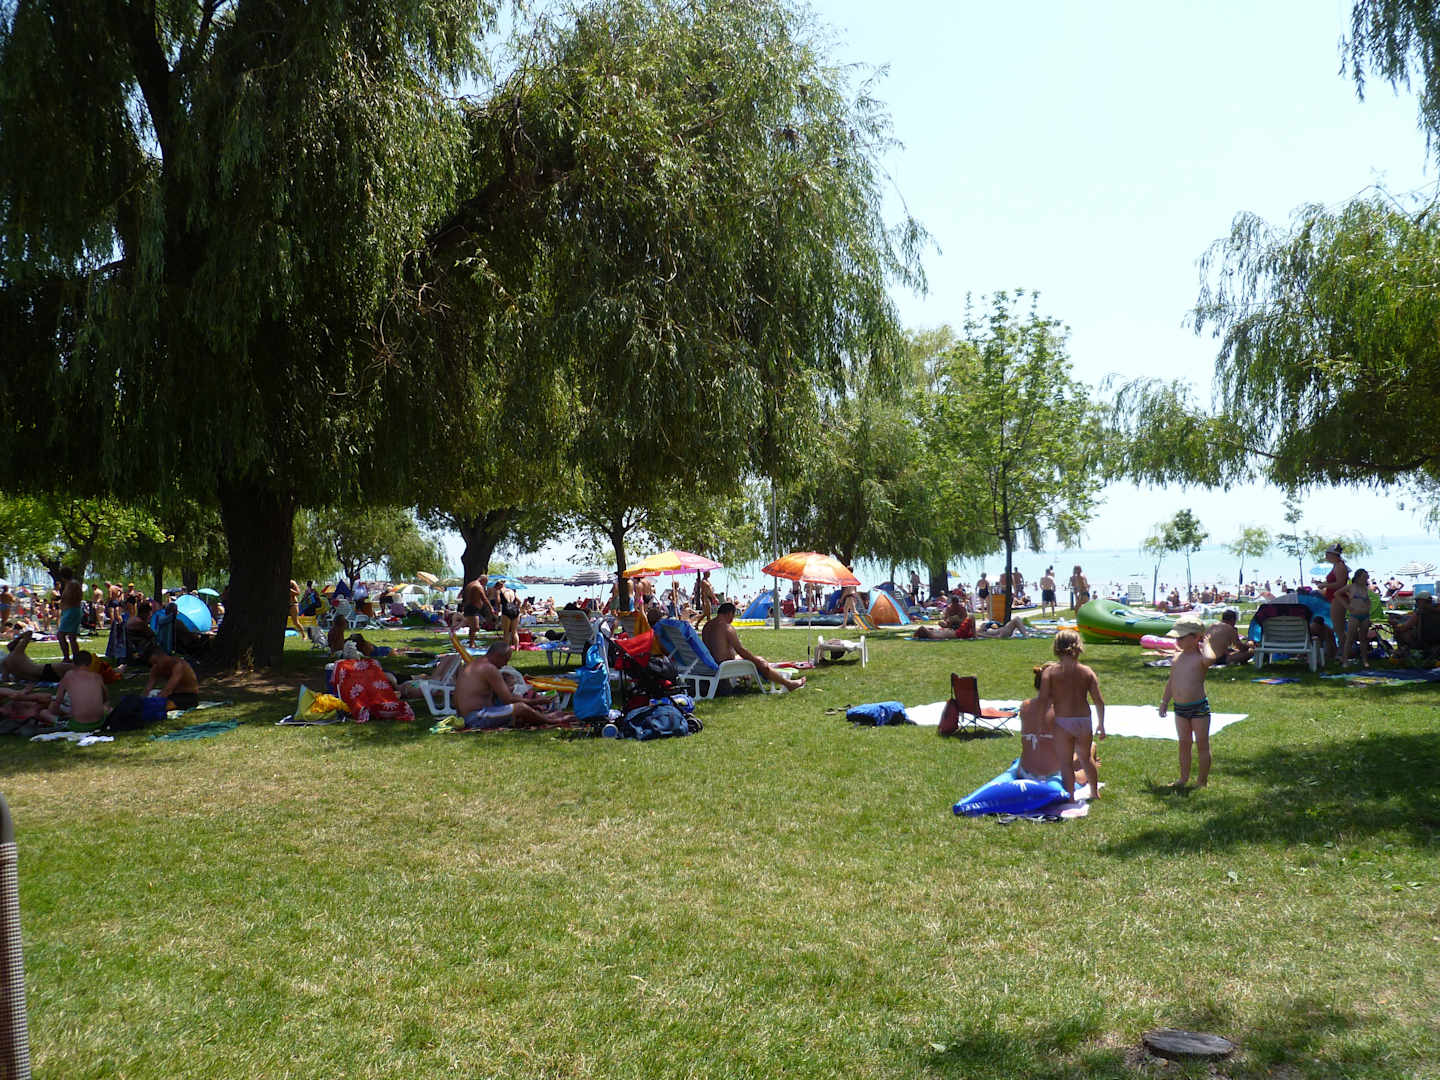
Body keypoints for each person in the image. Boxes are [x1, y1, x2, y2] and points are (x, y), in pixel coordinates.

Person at [1033, 629, 1105, 800]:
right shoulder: (1087, 671)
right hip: (1084, 721)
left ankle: (1070, 796)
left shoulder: (1051, 672)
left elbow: (1043, 700)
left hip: (1063, 722)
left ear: (1056, 648)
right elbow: (1099, 701)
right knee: (1086, 758)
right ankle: (1094, 791)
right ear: (1079, 647)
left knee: (1065, 763)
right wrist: (1101, 724)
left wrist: (1040, 723)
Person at [454, 641, 563, 729]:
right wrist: (538, 701)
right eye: (505, 660)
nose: (505, 664)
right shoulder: (489, 668)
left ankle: (539, 716)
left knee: (518, 700)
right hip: (475, 717)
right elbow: (508, 700)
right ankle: (549, 720)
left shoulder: (474, 664)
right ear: (497, 656)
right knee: (521, 708)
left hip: (465, 716)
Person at [1160, 617, 1216, 788]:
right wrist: (1164, 701)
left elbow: (1211, 659)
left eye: (1181, 637)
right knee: (1184, 744)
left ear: (1196, 637)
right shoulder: (1177, 657)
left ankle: (1202, 781)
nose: (1177, 641)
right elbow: (1172, 681)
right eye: (1176, 638)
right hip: (1180, 709)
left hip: (1198, 708)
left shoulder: (1200, 658)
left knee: (1202, 745)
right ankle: (1183, 778)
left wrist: (1206, 643)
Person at [701, 602, 805, 691]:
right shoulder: (726, 627)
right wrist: (756, 661)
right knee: (761, 663)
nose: (732, 619)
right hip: (724, 666)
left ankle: (784, 681)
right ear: (730, 613)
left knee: (756, 660)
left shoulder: (707, 626)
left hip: (710, 664)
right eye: (733, 616)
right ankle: (788, 684)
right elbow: (740, 650)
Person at [43, 651, 108, 730]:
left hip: (78, 725)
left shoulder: (69, 675)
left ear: (73, 663)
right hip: (99, 722)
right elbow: (105, 699)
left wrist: (53, 712)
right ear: (90, 663)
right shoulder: (97, 677)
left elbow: (58, 700)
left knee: (44, 713)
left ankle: (61, 722)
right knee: (107, 708)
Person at [1336, 568, 1374, 667]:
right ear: (1358, 577)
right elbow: (1337, 594)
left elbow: (1368, 600)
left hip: (1365, 615)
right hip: (1354, 615)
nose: (1366, 579)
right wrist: (1347, 606)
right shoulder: (1351, 587)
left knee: (1363, 639)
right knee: (1350, 638)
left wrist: (1368, 607)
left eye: (1366, 578)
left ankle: (1364, 660)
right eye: (1364, 577)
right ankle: (1345, 660)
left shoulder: (1365, 588)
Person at [1320, 542, 1349, 664]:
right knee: (1336, 628)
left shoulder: (1340, 566)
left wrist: (1325, 585)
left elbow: (1340, 584)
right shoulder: (1336, 566)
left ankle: (1344, 654)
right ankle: (1340, 652)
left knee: (1339, 628)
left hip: (1338, 599)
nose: (1326, 556)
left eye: (1327, 554)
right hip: (1333, 598)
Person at [2, 630, 71, 682]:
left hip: (38, 678)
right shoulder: (17, 652)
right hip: (45, 670)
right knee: (74, 668)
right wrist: (17, 639)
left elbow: (5, 679)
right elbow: (29, 633)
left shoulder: (5, 662)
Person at [55, 567, 83, 664]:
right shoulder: (69, 584)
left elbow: (74, 597)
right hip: (69, 611)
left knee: (61, 635)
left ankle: (68, 658)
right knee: (71, 637)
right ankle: (74, 658)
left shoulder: (72, 584)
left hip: (72, 611)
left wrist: (62, 601)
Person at [460, 576, 492, 646]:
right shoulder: (478, 586)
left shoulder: (470, 584)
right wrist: (491, 608)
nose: (484, 585)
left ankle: (472, 642)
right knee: (475, 627)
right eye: (485, 583)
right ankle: (471, 643)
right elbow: (484, 598)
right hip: (472, 608)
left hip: (470, 607)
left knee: (473, 627)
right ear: (483, 580)